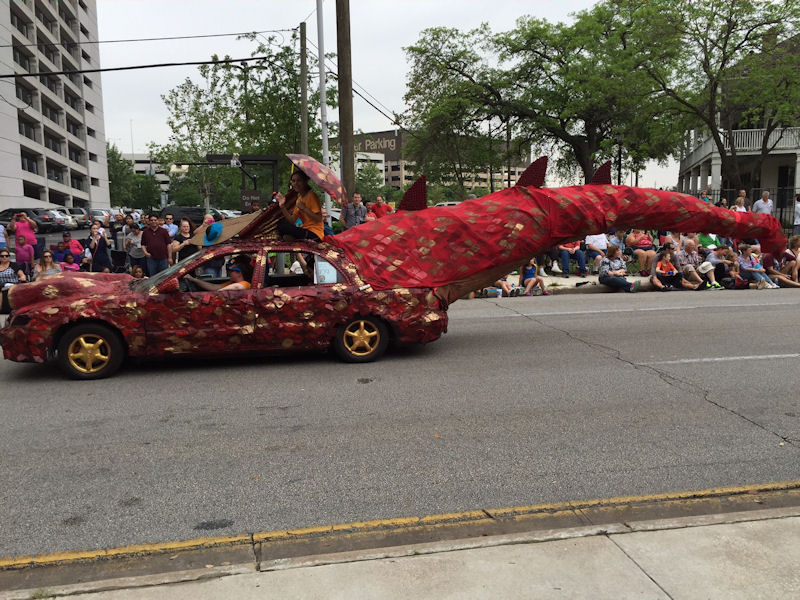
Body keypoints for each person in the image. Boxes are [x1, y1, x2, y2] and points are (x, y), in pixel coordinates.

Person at [276, 171, 324, 241]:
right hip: (304, 230)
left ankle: (295, 240)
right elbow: (292, 220)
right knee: (280, 224)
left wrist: (304, 208)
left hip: (315, 233)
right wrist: (282, 206)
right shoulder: (299, 199)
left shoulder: (312, 196)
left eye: (299, 180)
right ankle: (295, 240)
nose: (296, 183)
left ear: (305, 182)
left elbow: (319, 218)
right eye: (293, 181)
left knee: (282, 227)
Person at [184, 264, 251, 291]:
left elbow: (237, 287)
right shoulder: (231, 283)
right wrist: (193, 279)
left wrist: (218, 292)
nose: (229, 272)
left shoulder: (245, 284)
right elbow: (213, 287)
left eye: (231, 271)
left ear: (239, 273)